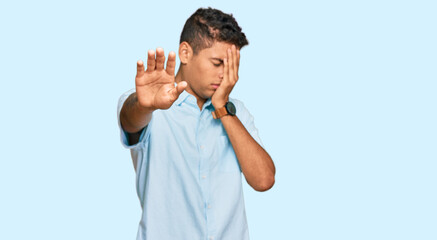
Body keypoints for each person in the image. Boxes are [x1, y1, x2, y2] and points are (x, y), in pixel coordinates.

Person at [117, 7, 276, 240]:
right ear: (185, 53)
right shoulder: (149, 105)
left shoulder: (236, 112)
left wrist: (222, 108)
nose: (224, 76)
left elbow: (264, 180)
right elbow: (130, 120)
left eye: (231, 66)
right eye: (217, 63)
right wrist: (145, 105)